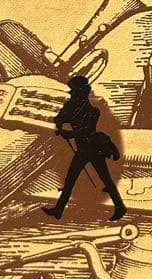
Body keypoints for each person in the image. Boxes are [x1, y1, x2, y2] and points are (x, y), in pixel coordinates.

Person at [42, 75, 127, 221]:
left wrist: (68, 133)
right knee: (71, 180)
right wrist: (60, 122)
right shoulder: (72, 107)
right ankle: (58, 210)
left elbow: (84, 132)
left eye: (74, 92)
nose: (71, 94)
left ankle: (120, 207)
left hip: (92, 149)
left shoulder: (92, 112)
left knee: (104, 179)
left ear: (81, 93)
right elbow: (60, 118)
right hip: (83, 150)